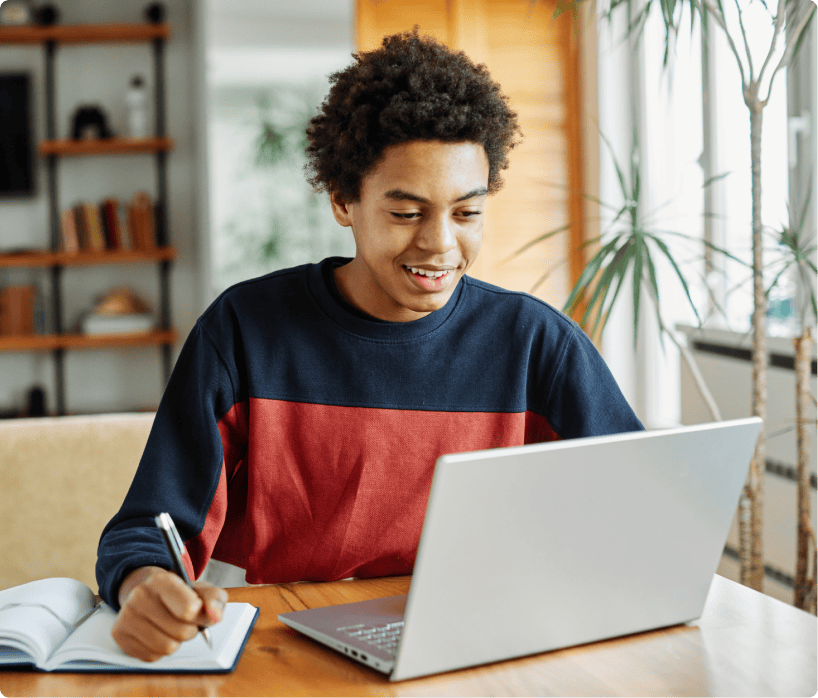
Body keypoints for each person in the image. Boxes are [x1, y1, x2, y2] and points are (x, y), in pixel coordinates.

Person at [97, 27, 644, 662]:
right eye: (406, 213)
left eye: (467, 213)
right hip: (289, 643)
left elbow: (636, 513)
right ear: (343, 201)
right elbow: (147, 529)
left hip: (480, 646)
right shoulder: (245, 330)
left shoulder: (536, 344)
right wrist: (147, 585)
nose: (440, 244)